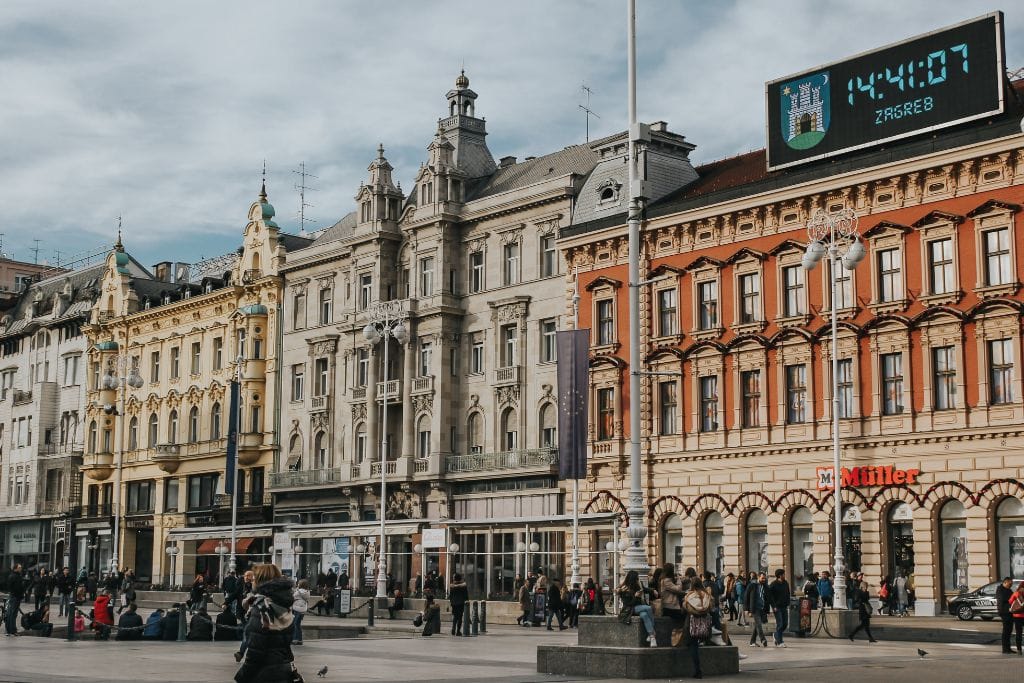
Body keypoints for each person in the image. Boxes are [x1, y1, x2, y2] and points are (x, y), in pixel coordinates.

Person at [234, 563, 298, 683]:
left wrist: (242, 676)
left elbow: (255, 652)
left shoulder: (261, 609)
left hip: (264, 674)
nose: (252, 582)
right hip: (283, 671)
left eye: (254, 579)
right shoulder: (283, 605)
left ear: (260, 581)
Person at [683, 577, 714, 680]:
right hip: (704, 625)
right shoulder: (707, 595)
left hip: (692, 624)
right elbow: (711, 608)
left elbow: (686, 608)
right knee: (696, 644)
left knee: (692, 646)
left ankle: (698, 671)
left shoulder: (689, 596)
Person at [617, 570, 657, 647]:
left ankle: (651, 637)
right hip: (629, 609)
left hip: (639, 607)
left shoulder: (637, 585)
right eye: (636, 578)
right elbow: (628, 604)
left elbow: (645, 589)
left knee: (645, 615)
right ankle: (653, 633)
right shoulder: (624, 589)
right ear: (632, 579)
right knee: (648, 608)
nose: (638, 580)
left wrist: (653, 590)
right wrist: (636, 596)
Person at [744, 572, 769, 648]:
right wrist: (747, 609)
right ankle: (763, 639)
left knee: (757, 625)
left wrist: (767, 609)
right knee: (759, 624)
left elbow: (767, 597)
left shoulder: (765, 586)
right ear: (758, 577)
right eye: (762, 578)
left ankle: (752, 641)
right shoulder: (752, 585)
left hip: (762, 608)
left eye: (765, 578)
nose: (764, 579)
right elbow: (746, 597)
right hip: (754, 608)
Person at [767, 569, 790, 648]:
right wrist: (773, 606)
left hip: (784, 606)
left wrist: (788, 603)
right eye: (783, 574)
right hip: (777, 607)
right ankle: (780, 642)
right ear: (780, 575)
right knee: (780, 624)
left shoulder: (785, 583)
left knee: (785, 624)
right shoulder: (773, 584)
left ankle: (776, 635)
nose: (784, 575)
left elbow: (788, 593)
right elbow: (769, 596)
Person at [4, 563, 25, 636]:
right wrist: (17, 594)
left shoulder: (17, 575)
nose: (20, 568)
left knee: (12, 614)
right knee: (12, 614)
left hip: (16, 597)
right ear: (15, 568)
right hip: (15, 597)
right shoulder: (13, 576)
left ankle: (10, 630)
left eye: (21, 567)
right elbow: (11, 587)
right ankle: (11, 630)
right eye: (19, 567)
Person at [996, 576, 1014, 654]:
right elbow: (1004, 598)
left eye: (1011, 584)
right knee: (1006, 631)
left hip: (1010, 612)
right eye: (1010, 584)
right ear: (1005, 582)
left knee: (1009, 630)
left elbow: (1013, 597)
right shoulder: (1000, 589)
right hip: (1004, 612)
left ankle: (1008, 648)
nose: (1011, 586)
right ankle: (1005, 649)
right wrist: (1012, 598)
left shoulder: (1008, 589)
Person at [292, 579, 310, 645]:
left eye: (299, 583)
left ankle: (295, 639)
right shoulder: (307, 591)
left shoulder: (299, 591)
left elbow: (293, 596)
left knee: (295, 624)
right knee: (298, 624)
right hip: (302, 609)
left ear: (301, 585)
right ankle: (300, 640)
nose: (298, 584)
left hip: (297, 609)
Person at [1010, 580, 1024, 656]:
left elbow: (1010, 601)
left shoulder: (1016, 593)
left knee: (1019, 633)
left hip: (1017, 616)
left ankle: (1019, 650)